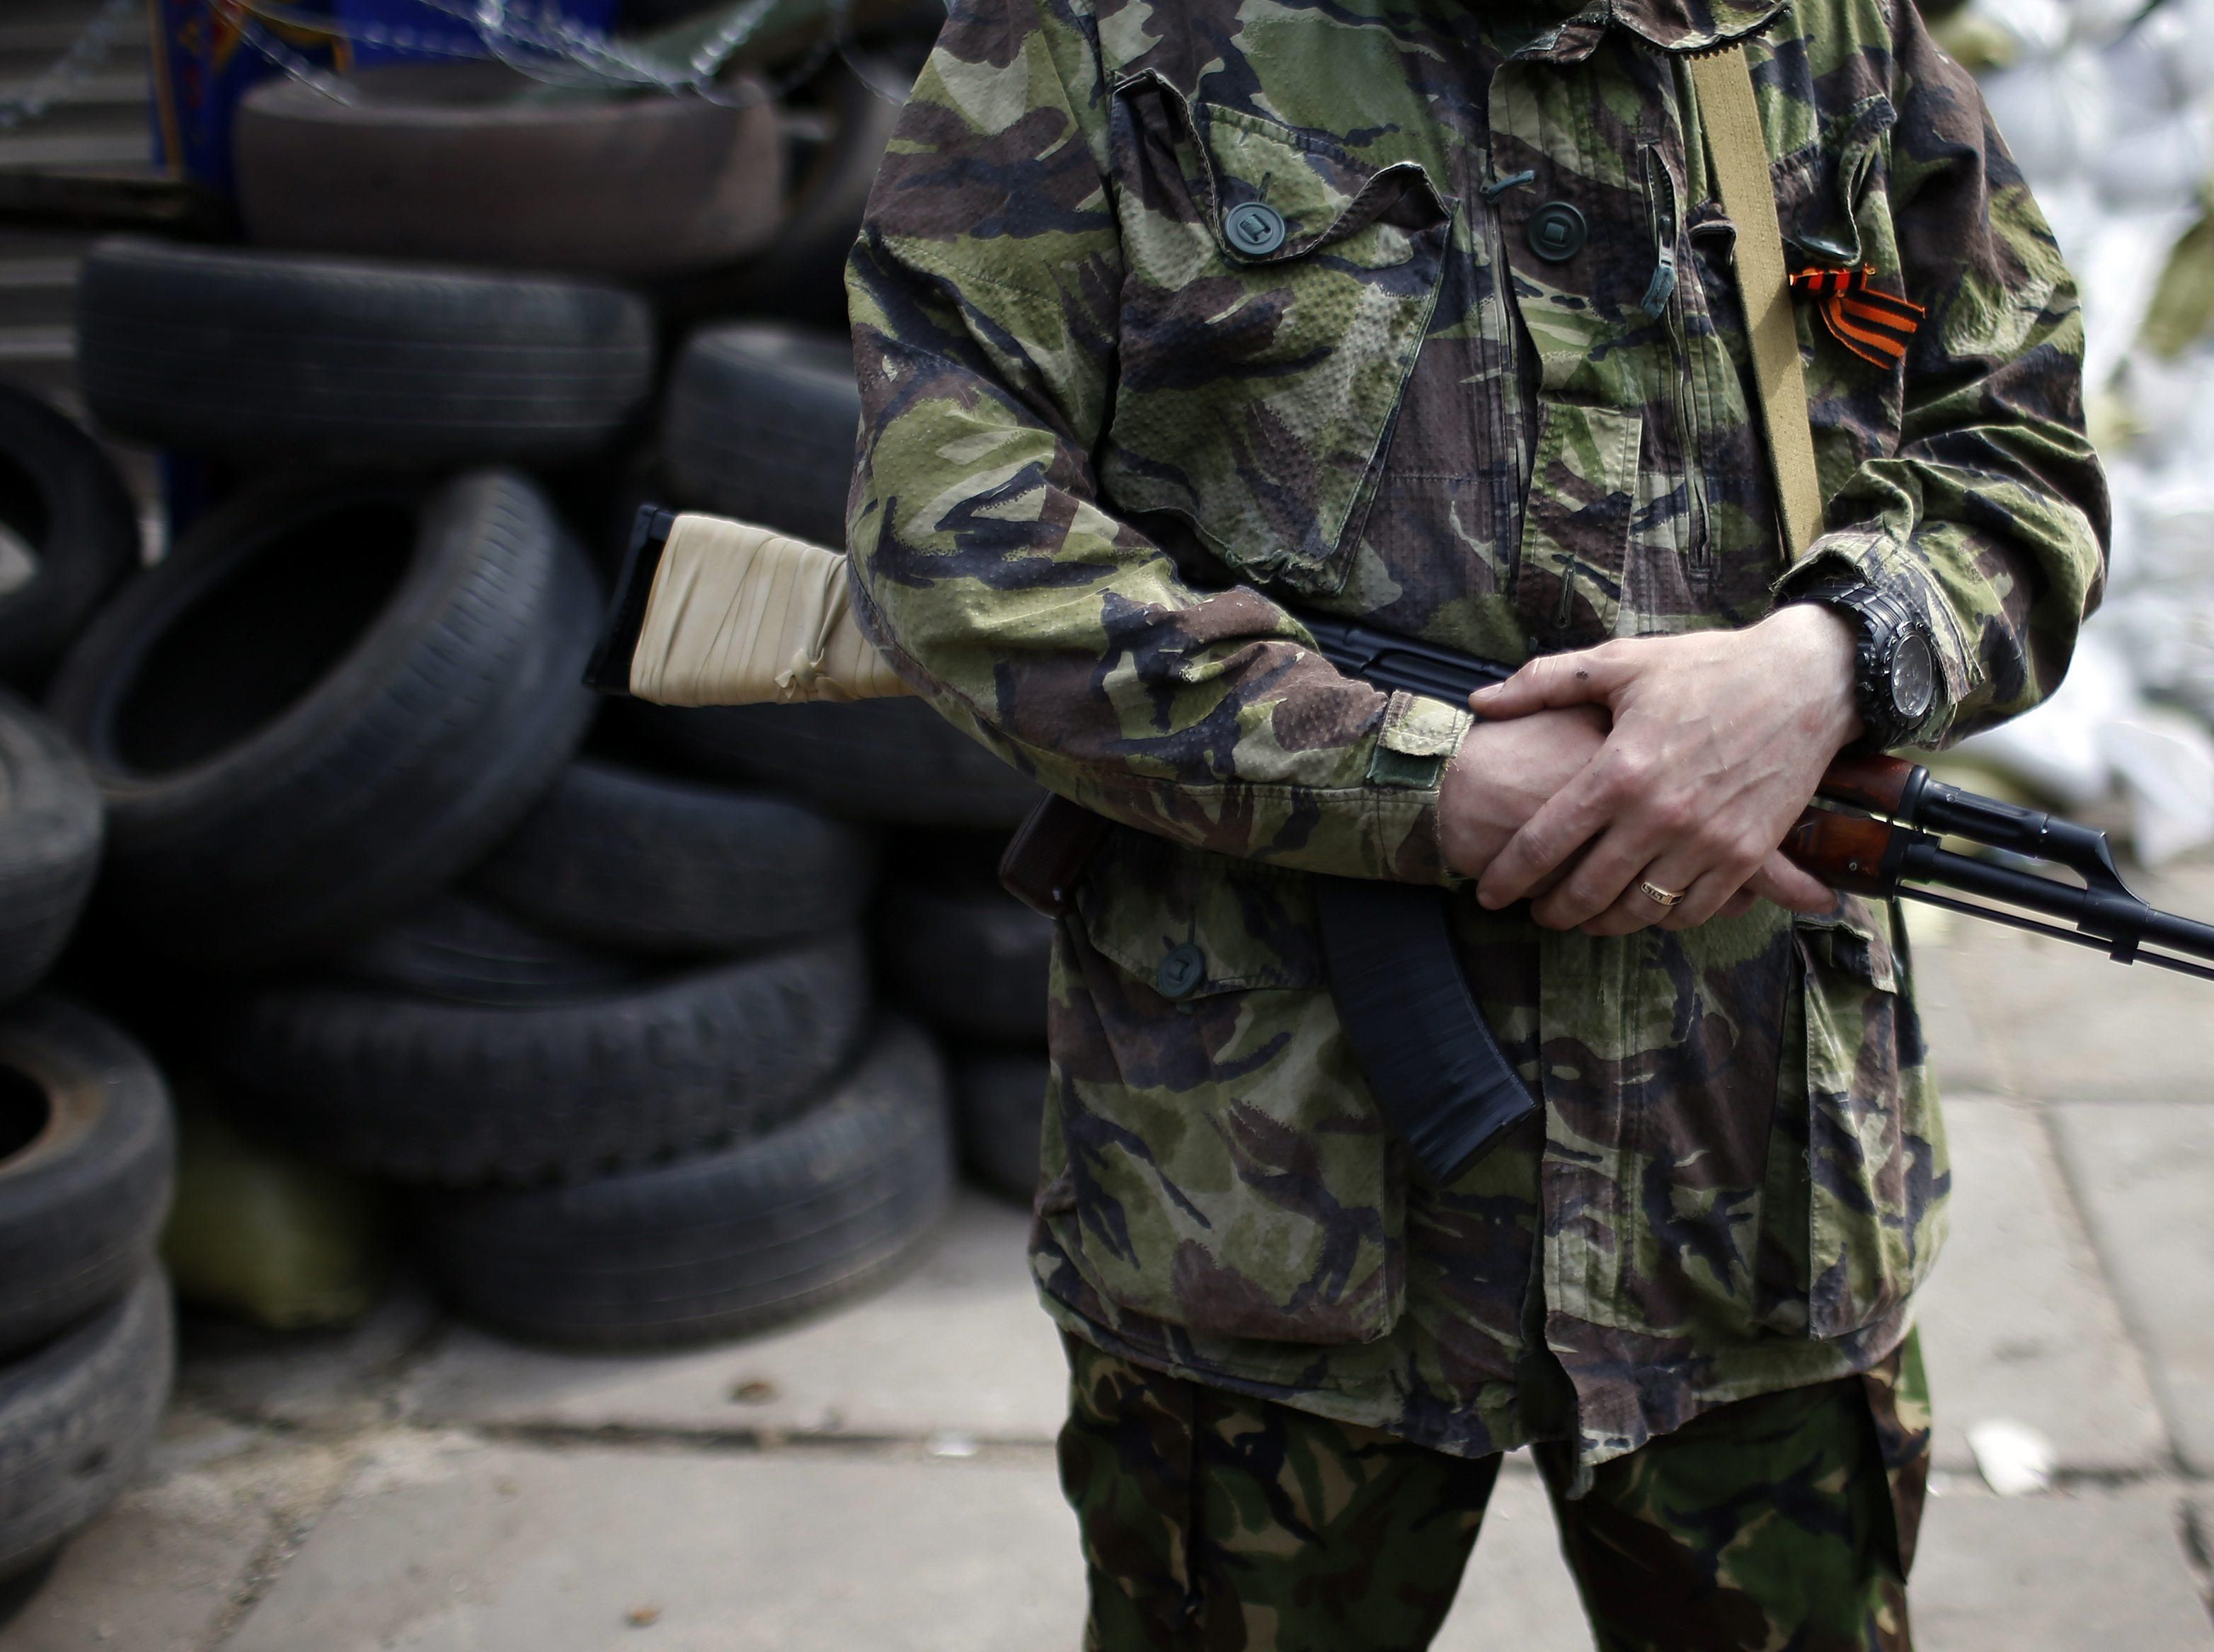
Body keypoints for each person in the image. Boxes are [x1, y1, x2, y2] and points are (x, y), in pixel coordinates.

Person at [842, 0, 2106, 1643]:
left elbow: (2022, 451)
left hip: (1748, 1181)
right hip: (1264, 1203)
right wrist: (1407, 776)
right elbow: (945, 525)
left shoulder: (1824, 30)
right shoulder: (1103, 34)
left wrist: (1825, 663)